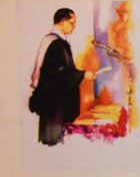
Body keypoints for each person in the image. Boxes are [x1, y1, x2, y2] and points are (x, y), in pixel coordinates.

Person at [28, 8, 95, 145]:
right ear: (63, 21)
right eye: (72, 22)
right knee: (54, 142)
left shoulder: (52, 41)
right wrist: (83, 74)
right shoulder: (57, 44)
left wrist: (80, 74)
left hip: (52, 103)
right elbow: (60, 76)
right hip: (55, 106)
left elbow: (61, 71)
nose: (74, 26)